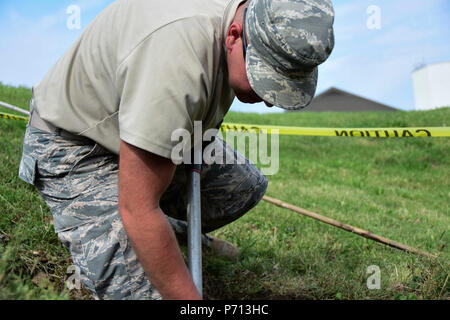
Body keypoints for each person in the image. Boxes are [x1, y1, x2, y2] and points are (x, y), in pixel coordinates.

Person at [18, 0, 335, 300]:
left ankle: (169, 232)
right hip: (77, 147)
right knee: (148, 290)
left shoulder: (242, 15)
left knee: (240, 189)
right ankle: (103, 219)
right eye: (264, 79)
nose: (269, 99)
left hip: (146, 131)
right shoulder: (177, 54)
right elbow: (138, 208)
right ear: (235, 36)